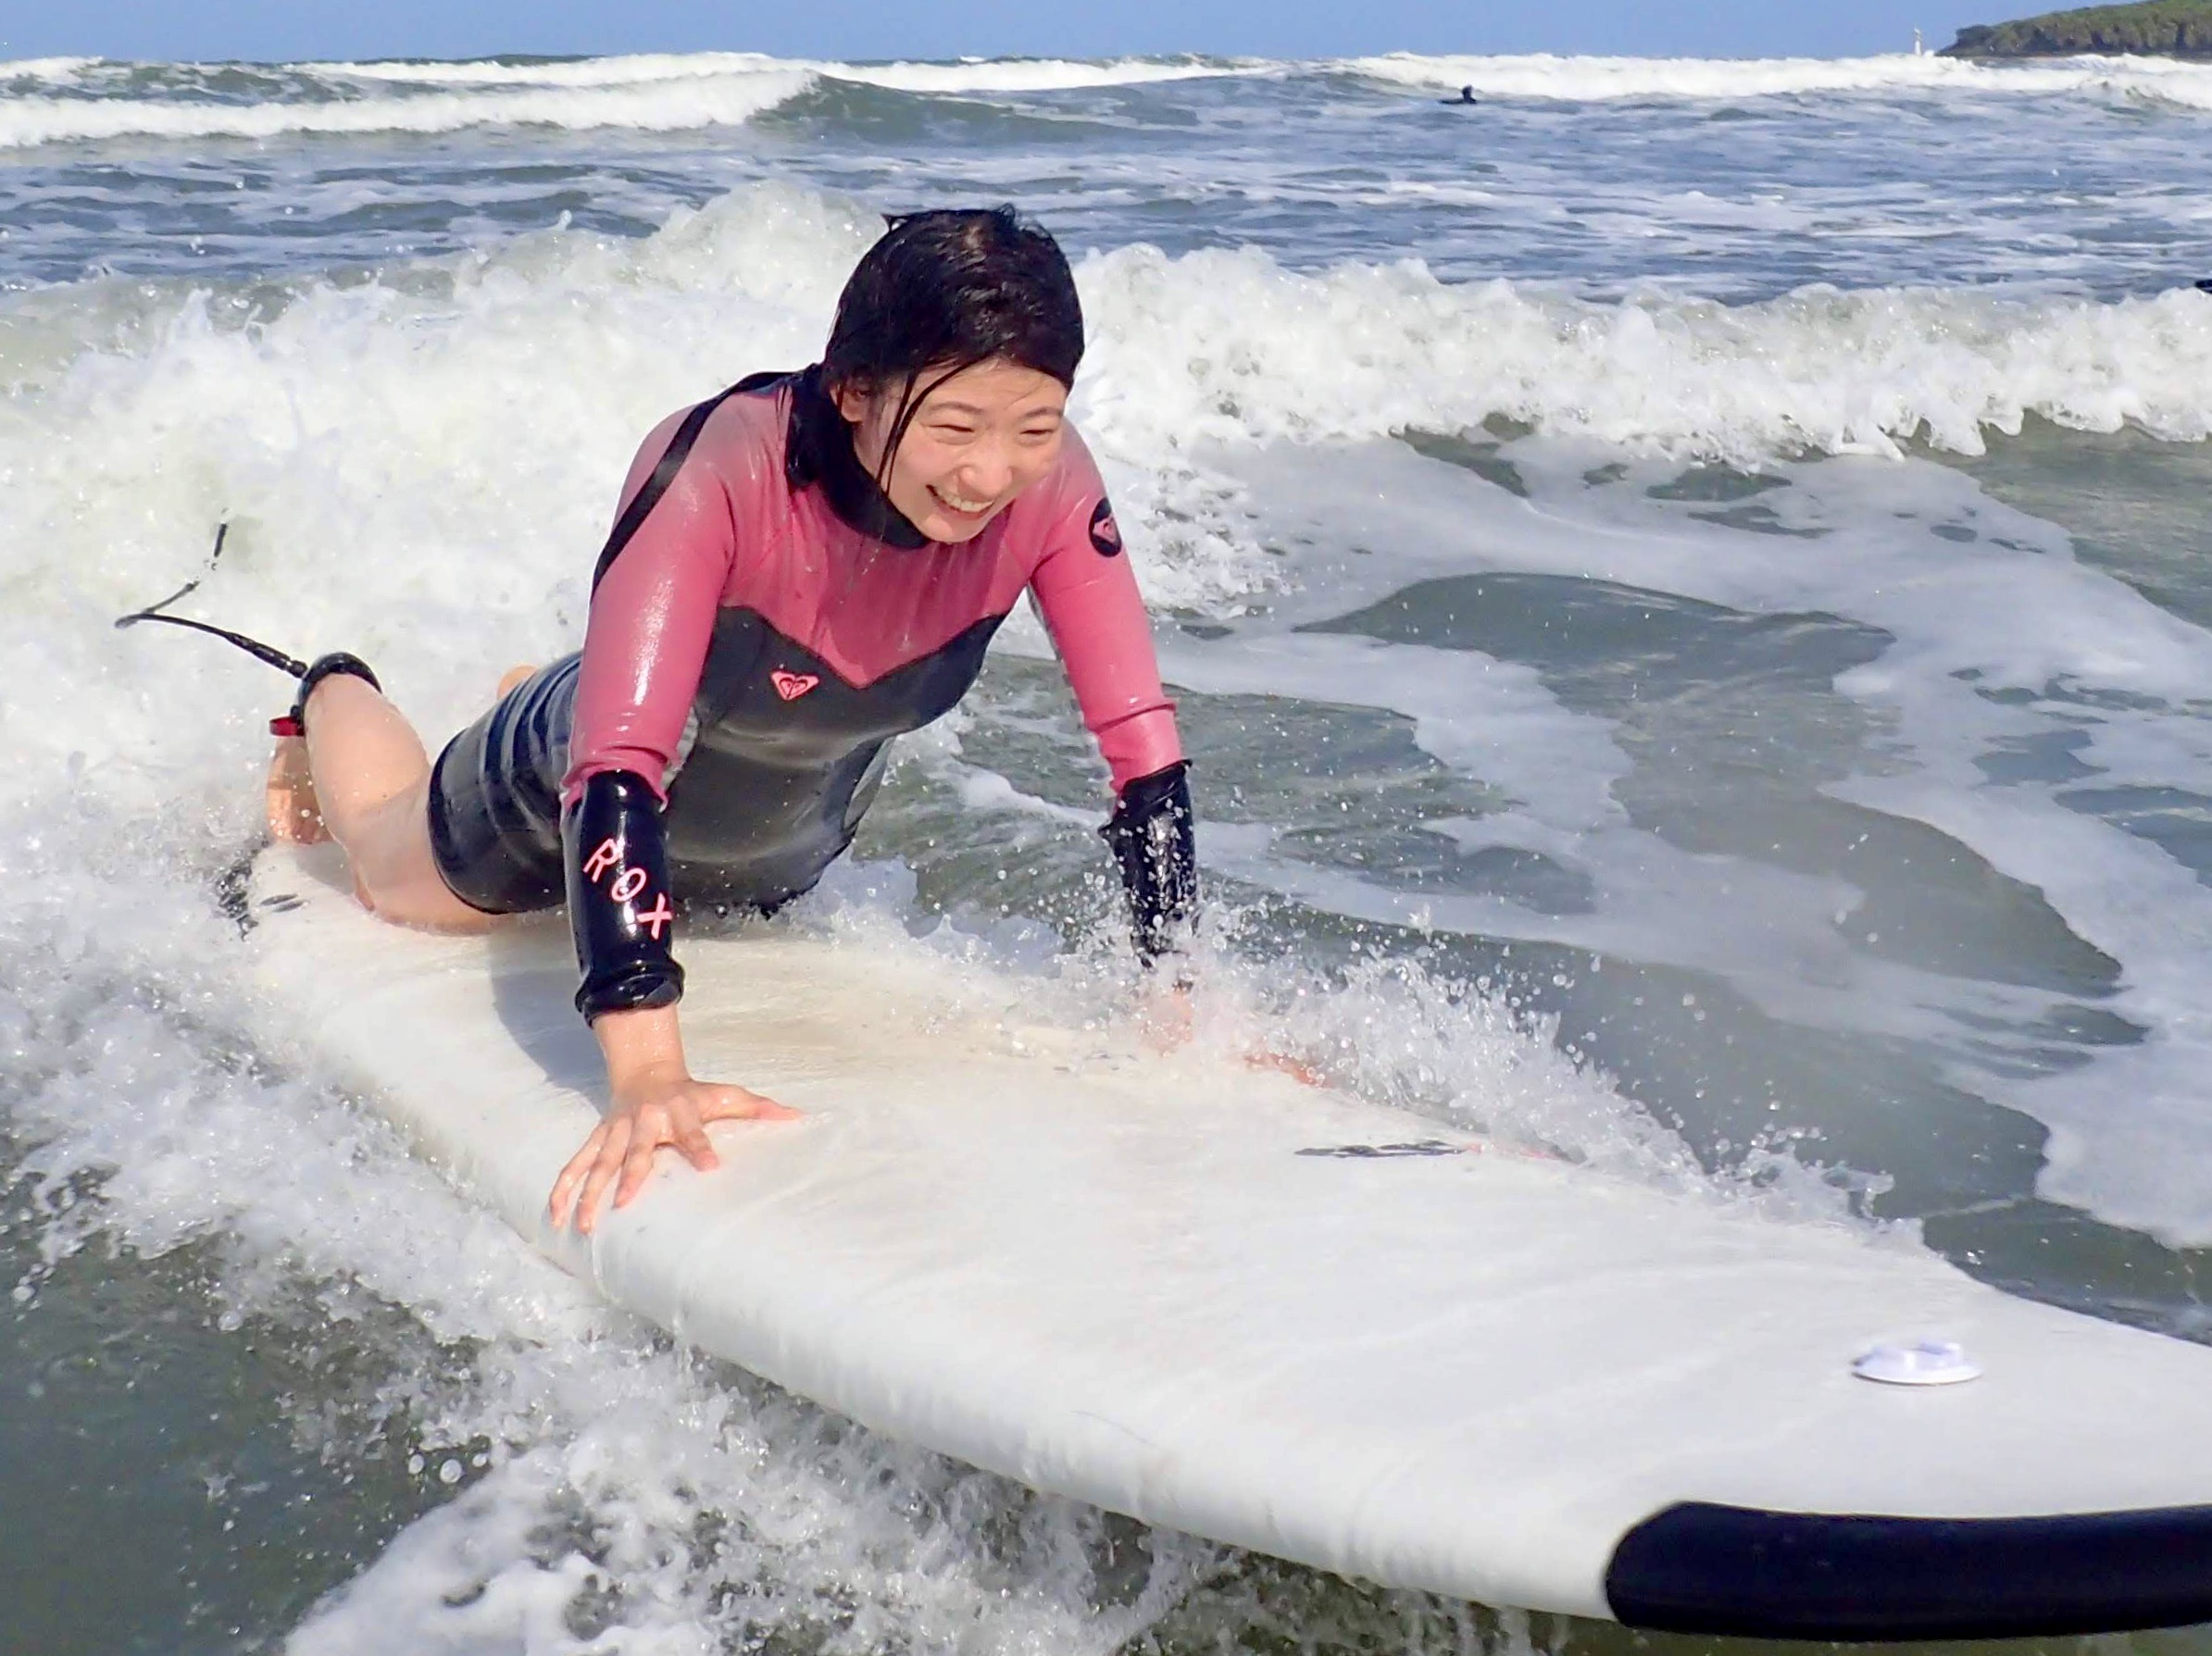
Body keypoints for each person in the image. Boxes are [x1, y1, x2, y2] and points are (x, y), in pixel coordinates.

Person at [172, 207, 1199, 1236]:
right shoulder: (721, 466)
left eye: (1032, 427)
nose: (991, 473)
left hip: (775, 846)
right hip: (555, 795)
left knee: (658, 720)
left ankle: (573, 674)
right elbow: (617, 765)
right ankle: (330, 689)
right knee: (389, 868)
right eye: (952, 427)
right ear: (853, 391)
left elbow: (1139, 742)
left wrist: (1177, 1001)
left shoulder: (1050, 484)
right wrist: (649, 1068)